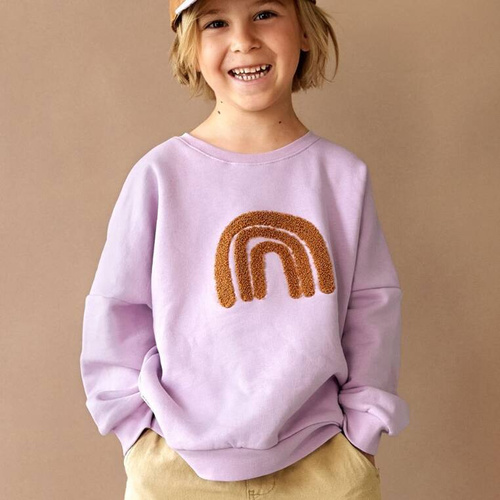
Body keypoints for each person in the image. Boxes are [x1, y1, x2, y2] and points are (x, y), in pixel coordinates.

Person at [80, 0, 410, 498]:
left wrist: (360, 439)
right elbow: (117, 311)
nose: (243, 40)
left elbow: (372, 311)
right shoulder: (159, 176)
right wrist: (135, 434)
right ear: (190, 49)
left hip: (324, 466)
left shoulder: (343, 177)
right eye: (216, 22)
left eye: (265, 13)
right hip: (176, 469)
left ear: (305, 30)